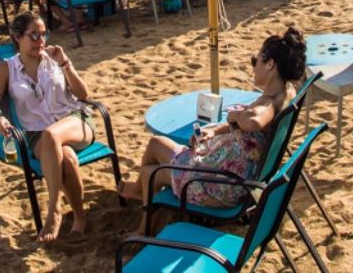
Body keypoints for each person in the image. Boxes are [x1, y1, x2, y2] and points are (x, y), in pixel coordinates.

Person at [119, 27, 307, 234]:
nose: (253, 67)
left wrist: (235, 116)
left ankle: (143, 230)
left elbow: (253, 122)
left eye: (256, 61)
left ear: (270, 64)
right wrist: (216, 131)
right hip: (229, 172)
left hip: (220, 186)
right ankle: (139, 192)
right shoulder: (284, 92)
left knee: (149, 172)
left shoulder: (269, 104)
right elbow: (249, 127)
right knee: (156, 143)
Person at [0, 13, 96, 242]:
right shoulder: (7, 69)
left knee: (51, 134)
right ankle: (80, 218)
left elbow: (84, 95)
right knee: (67, 157)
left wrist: (65, 63)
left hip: (74, 120)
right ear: (17, 37)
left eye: (43, 34)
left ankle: (54, 210)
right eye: (34, 35)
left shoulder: (55, 58)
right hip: (36, 134)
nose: (40, 41)